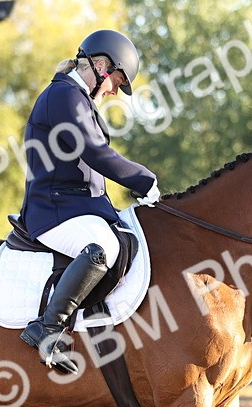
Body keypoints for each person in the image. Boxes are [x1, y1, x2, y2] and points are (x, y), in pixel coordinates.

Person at [17, 29, 161, 375]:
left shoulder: (78, 99)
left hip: (76, 206)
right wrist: (144, 180)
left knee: (127, 238)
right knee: (103, 247)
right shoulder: (63, 96)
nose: (114, 91)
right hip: (52, 210)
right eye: (116, 81)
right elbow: (96, 154)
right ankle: (48, 329)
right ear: (100, 65)